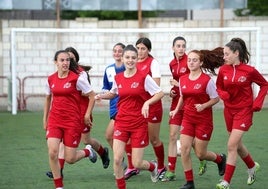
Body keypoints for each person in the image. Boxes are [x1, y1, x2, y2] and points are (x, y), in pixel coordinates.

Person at [95, 44, 164, 189]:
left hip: (138, 124)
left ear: (137, 59)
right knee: (118, 159)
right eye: (127, 57)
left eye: (134, 57)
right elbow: (114, 92)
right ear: (123, 58)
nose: (130, 60)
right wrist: (101, 96)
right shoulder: (118, 77)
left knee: (138, 163)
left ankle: (152, 167)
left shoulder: (144, 77)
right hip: (121, 122)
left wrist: (147, 102)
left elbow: (159, 93)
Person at [45, 47, 110, 179]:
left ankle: (101, 152)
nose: (66, 62)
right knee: (60, 143)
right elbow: (50, 95)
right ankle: (59, 171)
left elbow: (88, 94)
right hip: (64, 116)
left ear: (75, 59)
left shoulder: (80, 75)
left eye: (70, 59)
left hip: (81, 111)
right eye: (63, 59)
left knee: (86, 139)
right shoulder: (56, 76)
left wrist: (86, 114)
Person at [170, 48, 226, 189]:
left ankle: (220, 159)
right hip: (188, 118)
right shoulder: (182, 79)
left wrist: (204, 105)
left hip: (203, 121)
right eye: (189, 60)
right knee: (185, 149)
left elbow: (216, 98)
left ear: (201, 62)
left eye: (195, 60)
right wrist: (176, 110)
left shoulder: (207, 80)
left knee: (201, 153)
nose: (191, 62)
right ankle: (190, 182)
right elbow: (183, 97)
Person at [215, 38, 268, 189]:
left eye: (226, 54)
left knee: (231, 145)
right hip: (228, 111)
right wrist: (222, 93)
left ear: (236, 53)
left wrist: (258, 102)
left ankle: (226, 182)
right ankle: (251, 166)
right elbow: (218, 86)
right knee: (237, 145)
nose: (223, 57)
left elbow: (265, 85)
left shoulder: (249, 71)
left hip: (244, 111)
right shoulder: (223, 69)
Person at [162, 36, 207, 182]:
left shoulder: (191, 61)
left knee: (191, 141)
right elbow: (178, 86)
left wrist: (178, 84)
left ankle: (202, 158)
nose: (181, 48)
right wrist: (173, 90)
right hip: (177, 102)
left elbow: (189, 83)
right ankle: (171, 171)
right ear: (173, 48)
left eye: (183, 46)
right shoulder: (171, 64)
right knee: (172, 136)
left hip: (190, 104)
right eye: (178, 46)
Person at [124, 37, 166, 181]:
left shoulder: (153, 63)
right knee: (129, 137)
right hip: (135, 109)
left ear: (148, 50)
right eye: (138, 48)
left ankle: (160, 167)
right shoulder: (132, 62)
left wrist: (144, 100)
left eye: (143, 48)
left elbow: (156, 88)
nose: (140, 51)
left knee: (154, 139)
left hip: (152, 106)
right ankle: (132, 166)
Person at [102, 43, 126, 149]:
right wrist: (102, 94)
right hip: (113, 107)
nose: (117, 53)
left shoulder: (128, 67)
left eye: (120, 51)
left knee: (109, 135)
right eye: (115, 51)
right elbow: (106, 86)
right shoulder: (109, 69)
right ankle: (124, 160)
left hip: (124, 107)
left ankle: (124, 160)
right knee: (111, 137)